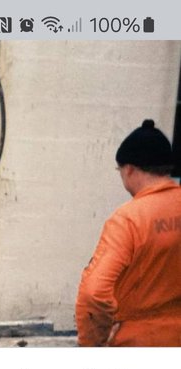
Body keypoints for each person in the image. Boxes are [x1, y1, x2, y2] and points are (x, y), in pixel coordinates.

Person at [75, 119, 181, 346]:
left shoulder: (129, 220)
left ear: (129, 169)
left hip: (138, 343)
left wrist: (95, 341)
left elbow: (94, 292)